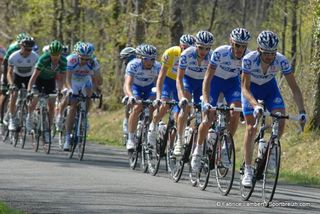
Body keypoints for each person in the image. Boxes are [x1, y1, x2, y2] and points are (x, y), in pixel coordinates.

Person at [241, 30, 306, 187]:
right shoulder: (248, 60)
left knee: (280, 120)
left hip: (270, 89)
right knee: (251, 127)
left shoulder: (281, 61)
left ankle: (269, 151)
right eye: (266, 53)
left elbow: (295, 88)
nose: (270, 56)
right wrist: (255, 105)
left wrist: (302, 111)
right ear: (258, 50)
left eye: (273, 53)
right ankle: (248, 170)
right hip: (251, 90)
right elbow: (245, 88)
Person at [191, 28, 251, 171]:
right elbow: (207, 79)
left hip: (232, 84)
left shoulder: (248, 57)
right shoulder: (220, 52)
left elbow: (246, 83)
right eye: (237, 45)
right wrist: (206, 101)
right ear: (231, 42)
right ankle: (197, 151)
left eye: (243, 46)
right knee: (208, 118)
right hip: (215, 83)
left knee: (235, 111)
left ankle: (226, 147)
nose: (240, 49)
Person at [147, 34, 195, 147]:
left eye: (189, 48)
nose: (186, 50)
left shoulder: (194, 56)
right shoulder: (171, 53)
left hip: (182, 83)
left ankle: (172, 146)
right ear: (180, 46)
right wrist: (158, 97)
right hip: (168, 82)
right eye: (184, 47)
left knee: (179, 114)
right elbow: (161, 76)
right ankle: (152, 127)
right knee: (163, 106)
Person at [174, 30, 214, 156]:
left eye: (207, 48)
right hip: (188, 81)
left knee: (207, 113)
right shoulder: (186, 54)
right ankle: (179, 141)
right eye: (201, 48)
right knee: (185, 107)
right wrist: (181, 98)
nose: (204, 52)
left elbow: (213, 80)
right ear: (195, 45)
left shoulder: (212, 56)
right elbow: (179, 78)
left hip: (202, 84)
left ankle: (198, 143)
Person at [26, 40, 67, 141]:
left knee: (52, 105)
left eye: (57, 55)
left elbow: (62, 78)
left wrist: (60, 90)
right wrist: (29, 90)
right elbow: (34, 76)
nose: (55, 57)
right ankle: (29, 116)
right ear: (50, 53)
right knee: (35, 98)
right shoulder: (43, 59)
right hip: (39, 80)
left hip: (50, 81)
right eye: (53, 54)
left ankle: (47, 130)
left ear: (61, 53)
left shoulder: (63, 61)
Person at [63, 42, 100, 151]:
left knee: (89, 97)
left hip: (85, 80)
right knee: (73, 106)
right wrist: (70, 89)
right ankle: (67, 138)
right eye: (82, 59)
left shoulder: (94, 62)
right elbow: (67, 78)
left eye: (86, 59)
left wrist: (93, 90)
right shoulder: (71, 59)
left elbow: (97, 80)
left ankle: (84, 117)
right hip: (73, 80)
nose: (84, 61)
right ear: (77, 55)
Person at [124, 44, 161, 150]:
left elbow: (160, 84)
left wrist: (158, 97)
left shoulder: (158, 66)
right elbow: (128, 84)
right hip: (136, 87)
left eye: (152, 59)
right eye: (146, 59)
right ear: (140, 58)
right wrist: (130, 96)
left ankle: (150, 133)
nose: (149, 62)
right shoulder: (133, 64)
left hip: (150, 87)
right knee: (136, 107)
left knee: (153, 107)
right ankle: (131, 138)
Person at [7, 36, 39, 131]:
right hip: (18, 77)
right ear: (21, 46)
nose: (28, 51)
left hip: (29, 77)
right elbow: (9, 73)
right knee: (14, 94)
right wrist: (11, 84)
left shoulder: (35, 57)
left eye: (30, 49)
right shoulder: (13, 56)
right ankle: (12, 118)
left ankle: (29, 117)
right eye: (26, 49)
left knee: (34, 96)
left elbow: (38, 72)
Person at [119, 47, 136, 138]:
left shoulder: (137, 63)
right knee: (129, 102)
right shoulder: (128, 66)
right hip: (132, 87)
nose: (124, 62)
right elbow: (126, 83)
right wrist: (127, 95)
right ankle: (126, 121)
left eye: (125, 58)